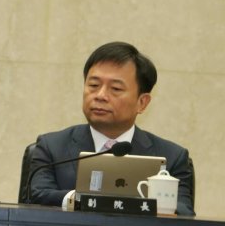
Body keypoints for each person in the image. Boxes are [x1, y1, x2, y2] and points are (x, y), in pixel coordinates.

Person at [29, 41, 194, 215]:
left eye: (115, 88)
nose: (100, 95)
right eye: (93, 85)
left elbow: (184, 211)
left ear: (142, 102)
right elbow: (37, 197)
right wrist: (82, 200)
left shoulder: (172, 158)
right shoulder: (52, 147)